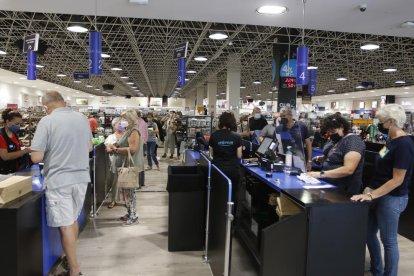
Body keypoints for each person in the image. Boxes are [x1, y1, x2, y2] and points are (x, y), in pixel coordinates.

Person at [31, 91, 92, 276]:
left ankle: (75, 270)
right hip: (81, 178)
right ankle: (68, 259)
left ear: (46, 106)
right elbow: (89, 147)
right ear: (63, 102)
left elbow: (36, 157)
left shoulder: (47, 121)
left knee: (64, 226)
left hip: (59, 181)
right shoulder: (82, 118)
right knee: (72, 220)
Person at [351, 104, 414, 276]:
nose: (379, 124)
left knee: (389, 240)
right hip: (377, 194)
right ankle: (376, 270)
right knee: (368, 233)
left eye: (382, 121)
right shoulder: (391, 141)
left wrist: (372, 194)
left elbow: (397, 180)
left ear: (392, 121)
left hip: (392, 198)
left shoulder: (404, 145)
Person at [308, 113, 365, 195]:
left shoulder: (353, 142)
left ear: (342, 127)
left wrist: (320, 174)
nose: (331, 134)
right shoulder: (336, 140)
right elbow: (335, 155)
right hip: (328, 186)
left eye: (333, 131)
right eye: (329, 132)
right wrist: (322, 158)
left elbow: (348, 169)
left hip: (344, 190)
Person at [111, 109, 144, 226]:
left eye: (125, 118)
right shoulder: (128, 130)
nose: (122, 121)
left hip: (131, 165)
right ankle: (130, 213)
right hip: (126, 165)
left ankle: (133, 215)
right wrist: (114, 146)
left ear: (131, 119)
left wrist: (115, 149)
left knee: (130, 191)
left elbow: (133, 150)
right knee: (126, 190)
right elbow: (121, 142)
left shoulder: (134, 131)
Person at [209, 112, 242, 213]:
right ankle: (231, 219)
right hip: (232, 170)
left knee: (218, 194)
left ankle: (218, 219)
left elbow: (211, 155)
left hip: (218, 171)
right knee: (232, 195)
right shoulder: (237, 137)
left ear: (220, 122)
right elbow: (239, 155)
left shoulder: (214, 136)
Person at [277, 106, 313, 171]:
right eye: (281, 116)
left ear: (290, 115)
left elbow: (308, 144)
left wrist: (309, 161)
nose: (282, 118)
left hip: (299, 160)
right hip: (284, 161)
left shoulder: (301, 126)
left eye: (284, 116)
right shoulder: (279, 128)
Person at [0, 109, 31, 174]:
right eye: (16, 124)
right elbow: (5, 156)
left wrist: (20, 144)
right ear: (8, 122)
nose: (18, 126)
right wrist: (24, 151)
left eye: (20, 124)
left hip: (15, 168)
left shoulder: (13, 133)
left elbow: (13, 145)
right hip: (4, 172)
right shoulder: (1, 136)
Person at [104, 117, 124, 209]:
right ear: (114, 126)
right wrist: (113, 147)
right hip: (114, 163)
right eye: (118, 124)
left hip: (125, 162)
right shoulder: (111, 137)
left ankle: (127, 200)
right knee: (115, 182)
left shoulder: (126, 136)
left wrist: (114, 147)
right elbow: (108, 149)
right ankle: (114, 200)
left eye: (122, 123)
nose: (120, 125)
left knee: (126, 182)